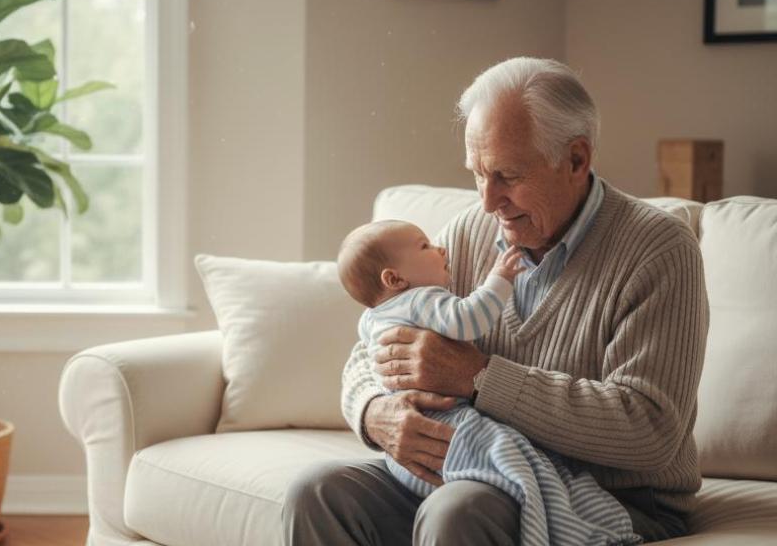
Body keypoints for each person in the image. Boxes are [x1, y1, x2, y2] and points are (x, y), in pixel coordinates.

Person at [282, 57, 708, 545]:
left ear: (576, 160)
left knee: (458, 511)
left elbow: (649, 429)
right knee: (317, 492)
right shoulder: (470, 232)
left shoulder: (659, 250)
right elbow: (376, 342)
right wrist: (374, 412)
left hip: (609, 497)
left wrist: (479, 376)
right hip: (478, 464)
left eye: (507, 175)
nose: (488, 201)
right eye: (478, 174)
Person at [337, 219, 525, 496]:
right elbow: (468, 319)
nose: (442, 249)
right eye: (425, 246)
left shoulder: (369, 319)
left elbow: (370, 355)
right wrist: (500, 280)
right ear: (395, 279)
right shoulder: (421, 298)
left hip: (405, 452)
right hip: (444, 421)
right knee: (517, 457)